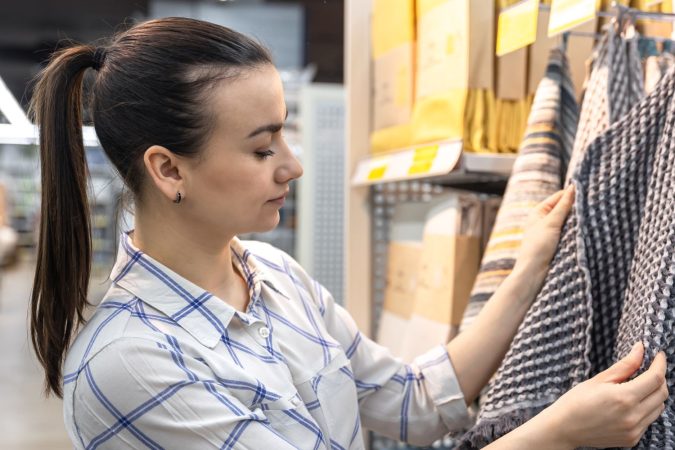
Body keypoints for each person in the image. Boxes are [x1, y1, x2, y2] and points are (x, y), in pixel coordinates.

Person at [28, 17, 667, 450]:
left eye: (284, 131)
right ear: (169, 170)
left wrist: (529, 269)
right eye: (261, 148)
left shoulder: (272, 278)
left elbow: (412, 400)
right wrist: (554, 434)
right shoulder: (131, 364)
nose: (293, 164)